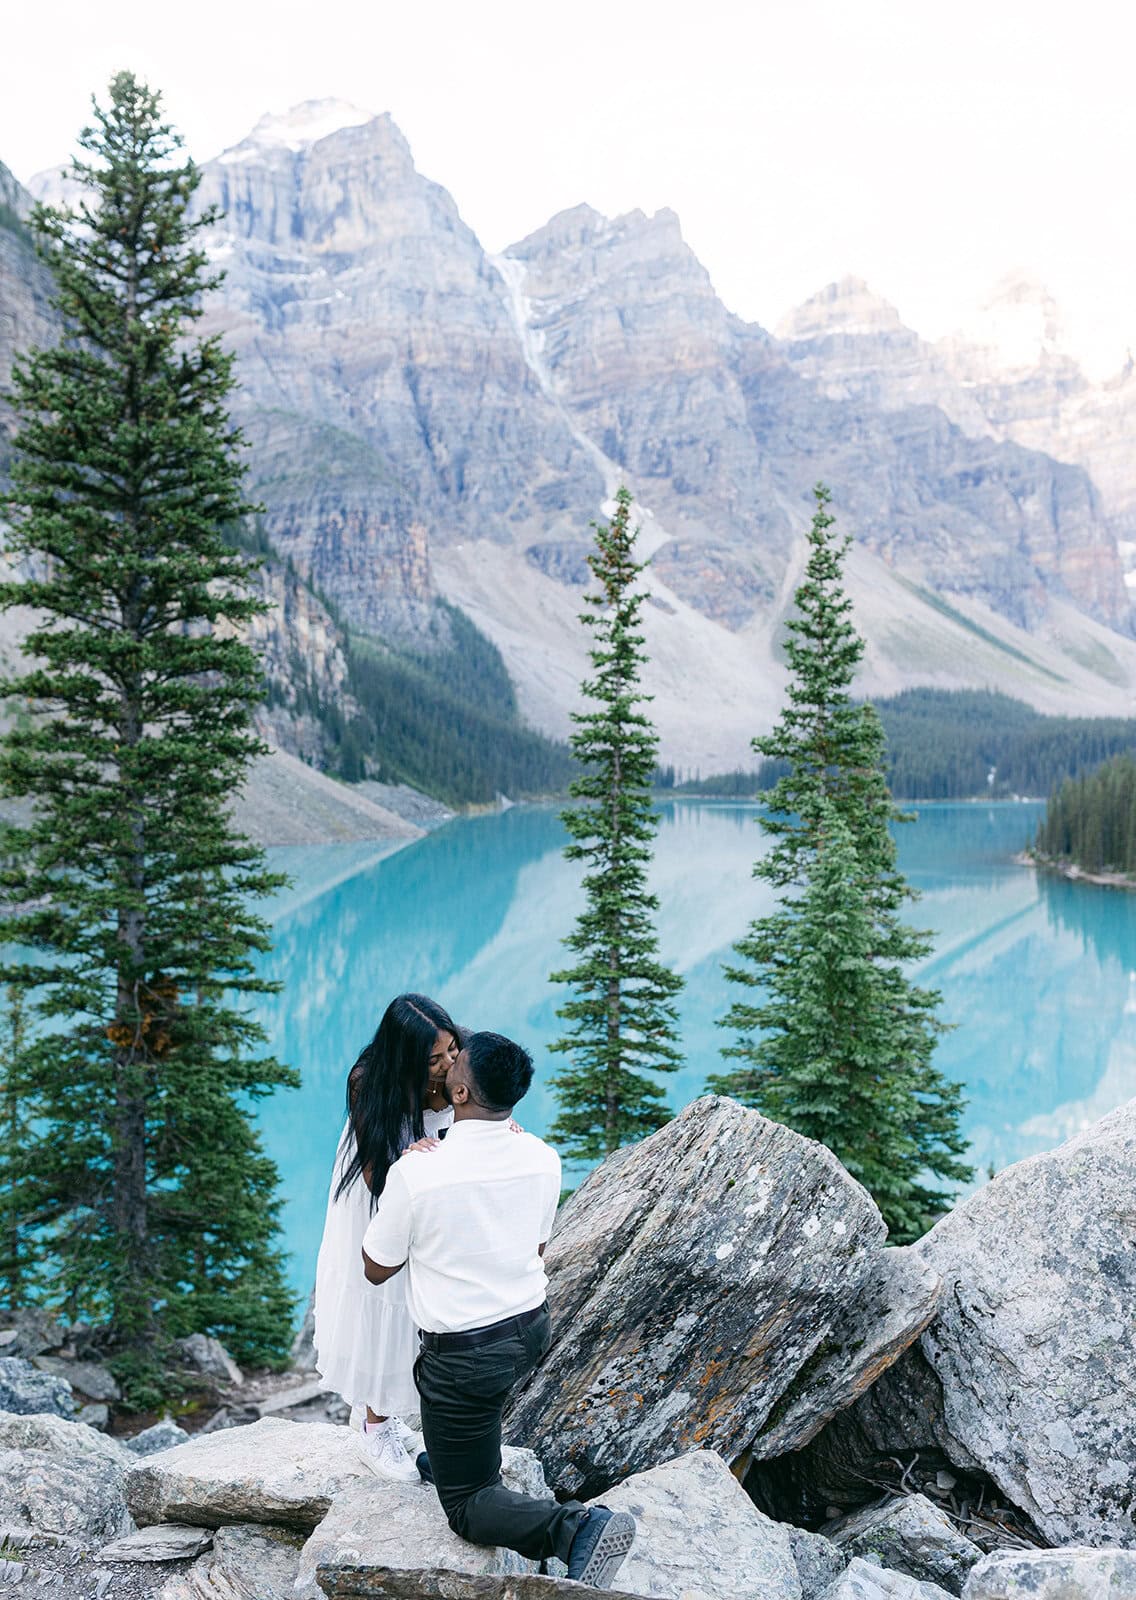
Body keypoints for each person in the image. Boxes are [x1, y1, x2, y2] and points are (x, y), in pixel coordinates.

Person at [361, 1030, 636, 1591]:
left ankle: (577, 1529)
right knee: (470, 1418)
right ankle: (448, 1455)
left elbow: (375, 1266)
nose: (445, 1063)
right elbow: (537, 1248)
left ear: (459, 1093)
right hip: (530, 1331)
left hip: (465, 1357)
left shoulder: (418, 1172)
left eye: (453, 1060)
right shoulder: (541, 1157)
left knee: (466, 1507)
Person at [312, 992, 460, 1481]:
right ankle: (374, 1428)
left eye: (452, 1050)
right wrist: (416, 1165)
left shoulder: (463, 1061)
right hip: (385, 1193)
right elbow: (376, 1176)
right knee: (390, 1302)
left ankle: (385, 1417)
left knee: (429, 1305)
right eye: (434, 1059)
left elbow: (484, 1111)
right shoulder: (370, 1082)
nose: (449, 1064)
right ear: (405, 1058)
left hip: (437, 1189)